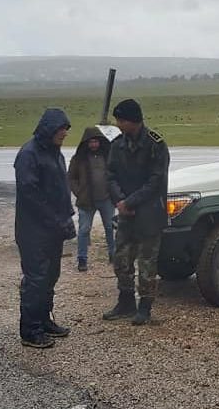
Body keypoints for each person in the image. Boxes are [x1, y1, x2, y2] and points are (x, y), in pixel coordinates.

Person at [102, 99, 170, 326]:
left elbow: (156, 181)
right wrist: (120, 201)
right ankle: (125, 301)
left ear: (134, 120)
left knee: (147, 264)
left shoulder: (155, 145)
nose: (118, 124)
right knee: (121, 259)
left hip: (149, 214)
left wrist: (131, 202)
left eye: (121, 120)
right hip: (125, 213)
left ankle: (145, 307)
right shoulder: (117, 145)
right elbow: (110, 175)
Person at [14, 109, 76, 348]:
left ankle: (44, 319)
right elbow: (30, 195)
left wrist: (67, 217)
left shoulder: (55, 153)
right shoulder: (28, 154)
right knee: (36, 279)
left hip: (53, 229)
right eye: (61, 130)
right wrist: (55, 219)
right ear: (49, 129)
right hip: (33, 230)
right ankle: (30, 330)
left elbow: (61, 189)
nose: (64, 134)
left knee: (51, 276)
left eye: (66, 130)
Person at [68, 127, 115, 272]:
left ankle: (113, 255)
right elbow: (71, 178)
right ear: (86, 143)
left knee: (110, 228)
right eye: (91, 142)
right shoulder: (78, 159)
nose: (94, 144)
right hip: (86, 201)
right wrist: (79, 192)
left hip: (106, 199)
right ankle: (82, 259)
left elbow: (116, 174)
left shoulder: (108, 156)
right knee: (84, 230)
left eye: (96, 141)